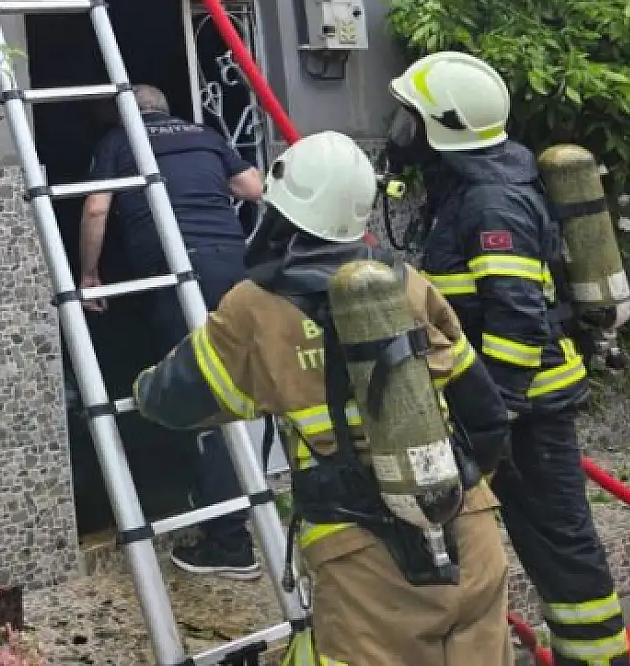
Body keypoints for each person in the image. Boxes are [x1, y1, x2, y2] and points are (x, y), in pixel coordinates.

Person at [134, 131, 514, 666]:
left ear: (280, 213)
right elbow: (487, 414)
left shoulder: (254, 308)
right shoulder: (408, 283)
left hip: (364, 561)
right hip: (470, 533)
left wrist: (144, 387)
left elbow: (170, 398)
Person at [387, 51, 630, 666]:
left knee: (561, 548)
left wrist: (492, 417)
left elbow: (517, 319)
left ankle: (598, 658)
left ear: (441, 127)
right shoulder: (465, 187)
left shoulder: (491, 203)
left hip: (526, 410)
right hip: (504, 406)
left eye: (409, 118)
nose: (400, 131)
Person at [79, 85, 266, 577]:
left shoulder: (120, 140)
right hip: (234, 270)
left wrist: (90, 274)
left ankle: (230, 542)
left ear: (126, 111)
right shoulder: (204, 135)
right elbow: (253, 187)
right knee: (235, 384)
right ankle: (238, 503)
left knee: (198, 395)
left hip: (179, 275)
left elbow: (96, 207)